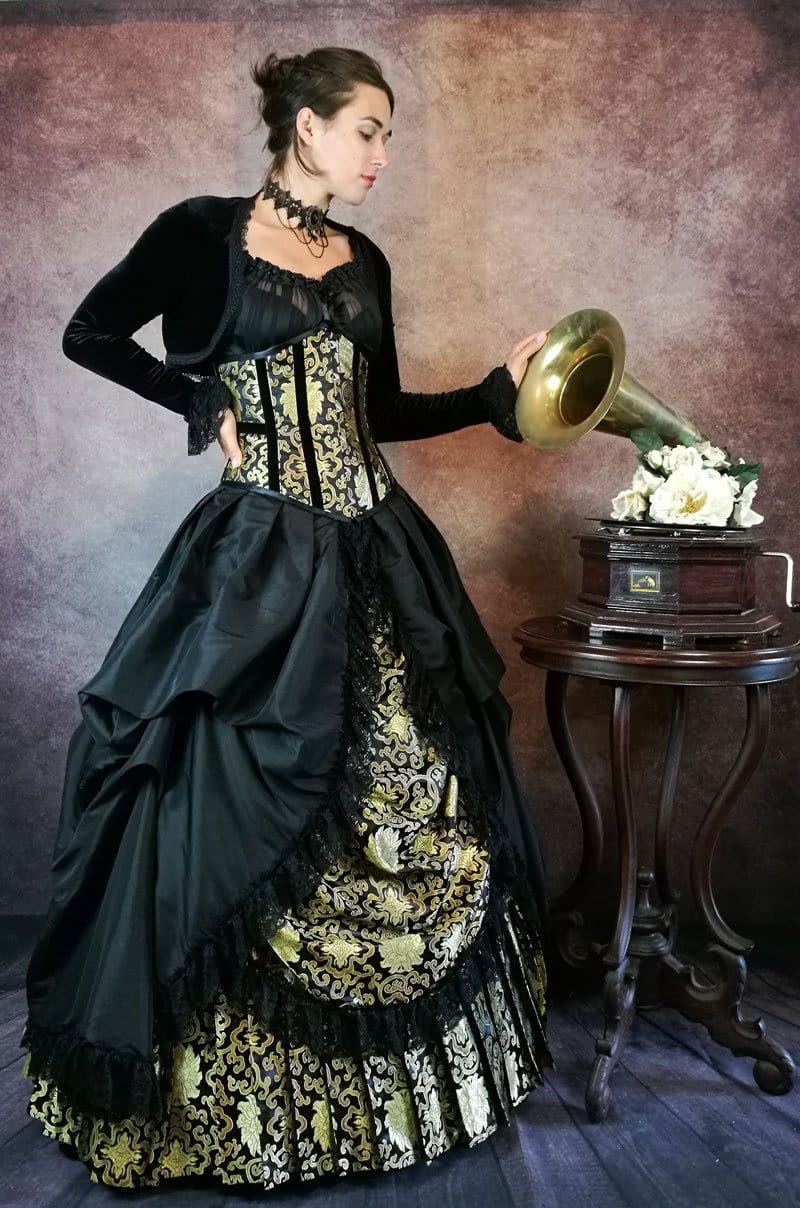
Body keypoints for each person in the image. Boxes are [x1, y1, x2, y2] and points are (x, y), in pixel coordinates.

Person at [20, 46, 552, 1192]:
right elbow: (91, 333)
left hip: (375, 553)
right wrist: (197, 393)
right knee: (213, 789)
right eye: (366, 129)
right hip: (258, 564)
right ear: (304, 128)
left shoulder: (366, 260)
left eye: (387, 135)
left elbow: (385, 408)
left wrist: (492, 398)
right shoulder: (199, 231)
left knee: (416, 794)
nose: (380, 155)